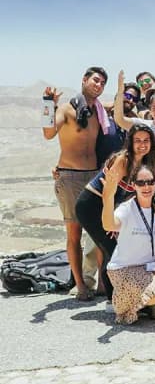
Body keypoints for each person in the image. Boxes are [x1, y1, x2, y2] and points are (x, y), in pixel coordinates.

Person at [75, 121, 155, 309]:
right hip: (91, 205)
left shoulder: (144, 163)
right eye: (138, 141)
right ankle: (115, 300)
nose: (142, 144)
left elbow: (129, 196)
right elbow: (108, 192)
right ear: (130, 142)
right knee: (112, 248)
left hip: (109, 206)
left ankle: (123, 296)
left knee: (115, 247)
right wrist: (111, 221)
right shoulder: (124, 160)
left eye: (146, 140)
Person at [42, 66, 107, 301]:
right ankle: (80, 285)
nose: (98, 85)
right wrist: (48, 104)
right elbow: (48, 133)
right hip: (69, 176)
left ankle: (101, 283)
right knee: (74, 233)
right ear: (84, 80)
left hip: (94, 176)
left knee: (100, 231)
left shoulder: (99, 111)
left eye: (102, 83)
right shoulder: (67, 109)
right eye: (95, 80)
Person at [101, 164, 155, 324]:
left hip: (150, 267)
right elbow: (108, 225)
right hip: (124, 269)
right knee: (154, 293)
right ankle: (136, 303)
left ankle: (145, 301)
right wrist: (108, 197)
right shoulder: (127, 208)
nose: (146, 186)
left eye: (150, 182)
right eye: (141, 183)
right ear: (133, 185)